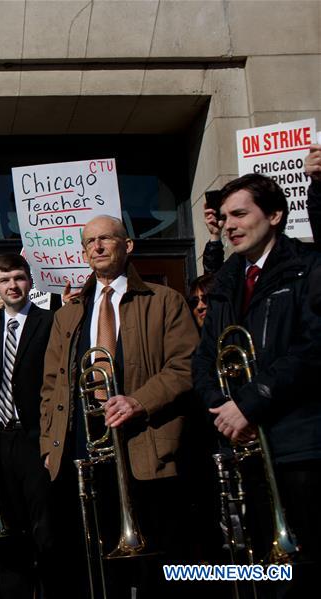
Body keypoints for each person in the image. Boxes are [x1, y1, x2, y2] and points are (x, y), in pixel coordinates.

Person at [40, 215, 199, 598]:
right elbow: (50, 387)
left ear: (127, 246)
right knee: (94, 561)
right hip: (84, 446)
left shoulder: (165, 301)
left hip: (146, 443)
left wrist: (139, 401)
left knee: (158, 564)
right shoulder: (67, 314)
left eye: (106, 239)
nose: (96, 247)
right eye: (90, 242)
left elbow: (188, 365)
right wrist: (49, 447)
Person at [192, 173, 321, 598]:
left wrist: (249, 404)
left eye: (240, 213)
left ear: (275, 215)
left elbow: (312, 349)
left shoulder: (309, 265)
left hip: (299, 446)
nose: (228, 224)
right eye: (225, 216)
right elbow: (205, 358)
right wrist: (222, 408)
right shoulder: (227, 279)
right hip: (244, 445)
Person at [0, 254, 55, 598]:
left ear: (30, 282)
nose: (13, 286)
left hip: (37, 442)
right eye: (5, 281)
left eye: (18, 278)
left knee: (46, 531)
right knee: (9, 536)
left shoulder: (50, 322)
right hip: (0, 444)